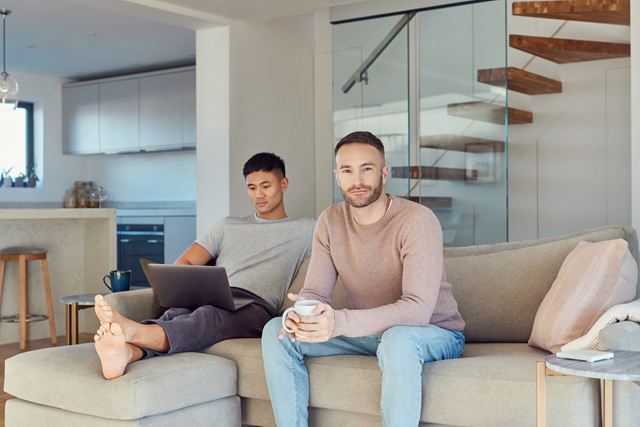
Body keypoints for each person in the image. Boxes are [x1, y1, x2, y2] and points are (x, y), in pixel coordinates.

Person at [261, 131, 465, 427]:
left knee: (398, 338)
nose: (356, 180)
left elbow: (417, 310)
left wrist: (340, 322)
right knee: (275, 331)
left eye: (366, 169)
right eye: (347, 170)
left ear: (383, 173)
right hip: (371, 334)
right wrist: (299, 315)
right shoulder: (330, 221)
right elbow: (315, 293)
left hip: (433, 332)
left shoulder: (418, 221)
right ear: (337, 176)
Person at [93, 152, 315, 380]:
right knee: (177, 313)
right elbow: (185, 263)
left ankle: (132, 331)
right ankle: (128, 352)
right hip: (215, 295)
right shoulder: (227, 226)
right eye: (252, 188)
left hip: (257, 307)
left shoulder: (307, 230)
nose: (258, 195)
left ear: (284, 184)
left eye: (265, 186)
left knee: (208, 317)